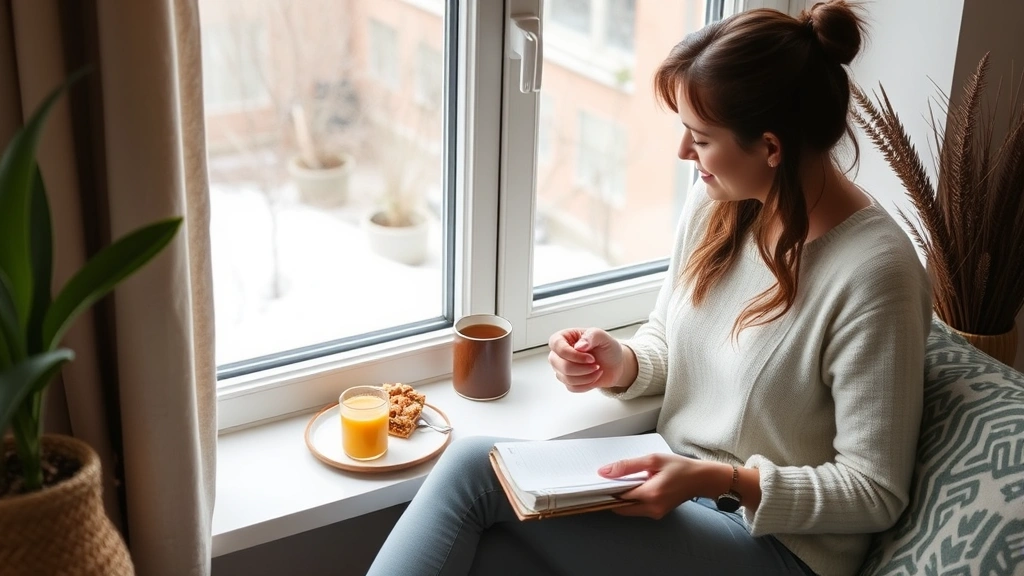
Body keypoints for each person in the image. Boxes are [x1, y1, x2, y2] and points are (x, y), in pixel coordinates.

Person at [367, 1, 931, 575]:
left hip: (777, 547)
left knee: (472, 468)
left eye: (701, 138)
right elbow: (671, 338)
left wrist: (720, 478)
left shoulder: (874, 273)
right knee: (492, 555)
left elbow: (874, 490)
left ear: (770, 147)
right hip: (682, 491)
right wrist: (623, 363)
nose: (684, 154)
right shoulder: (722, 203)